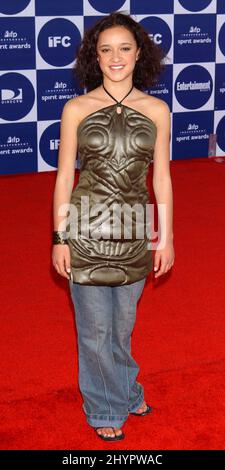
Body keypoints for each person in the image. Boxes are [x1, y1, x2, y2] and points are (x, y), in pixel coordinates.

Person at [52, 11, 174, 441]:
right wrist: (60, 237)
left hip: (135, 229)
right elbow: (65, 176)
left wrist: (166, 238)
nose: (116, 57)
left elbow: (161, 177)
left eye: (125, 48)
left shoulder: (157, 110)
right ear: (95, 57)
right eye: (106, 50)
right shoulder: (77, 108)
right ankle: (105, 406)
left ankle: (126, 388)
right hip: (85, 228)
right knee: (95, 329)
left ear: (139, 53)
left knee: (122, 326)